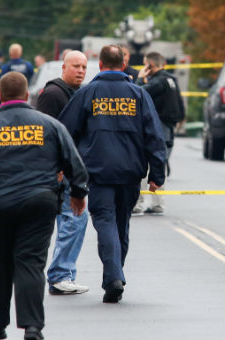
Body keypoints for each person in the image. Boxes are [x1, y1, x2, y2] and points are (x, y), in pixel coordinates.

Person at [0, 71, 88, 340]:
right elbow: (74, 161)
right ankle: (32, 326)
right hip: (39, 202)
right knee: (31, 263)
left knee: (0, 264)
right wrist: (79, 193)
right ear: (28, 96)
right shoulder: (49, 125)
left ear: (0, 96)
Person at [58, 45, 166, 303]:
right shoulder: (138, 94)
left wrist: (62, 166)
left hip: (98, 172)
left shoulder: (88, 93)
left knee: (105, 222)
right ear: (123, 65)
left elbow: (64, 130)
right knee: (121, 224)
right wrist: (157, 174)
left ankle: (114, 276)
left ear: (101, 65)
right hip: (131, 173)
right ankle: (113, 278)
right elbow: (155, 135)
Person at [36, 50, 90, 295]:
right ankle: (60, 275)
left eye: (84, 67)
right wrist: (55, 166)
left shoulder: (78, 93)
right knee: (74, 219)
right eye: (76, 66)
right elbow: (47, 135)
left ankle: (64, 274)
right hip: (61, 170)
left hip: (73, 167)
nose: (80, 71)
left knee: (73, 220)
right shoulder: (52, 94)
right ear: (64, 68)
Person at [133, 51, 185, 216]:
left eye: (144, 64)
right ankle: (158, 203)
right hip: (168, 128)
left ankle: (138, 204)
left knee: (144, 166)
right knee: (159, 165)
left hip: (156, 127)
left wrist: (141, 78)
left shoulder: (158, 82)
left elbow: (136, 92)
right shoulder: (171, 79)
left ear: (150, 65)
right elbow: (180, 104)